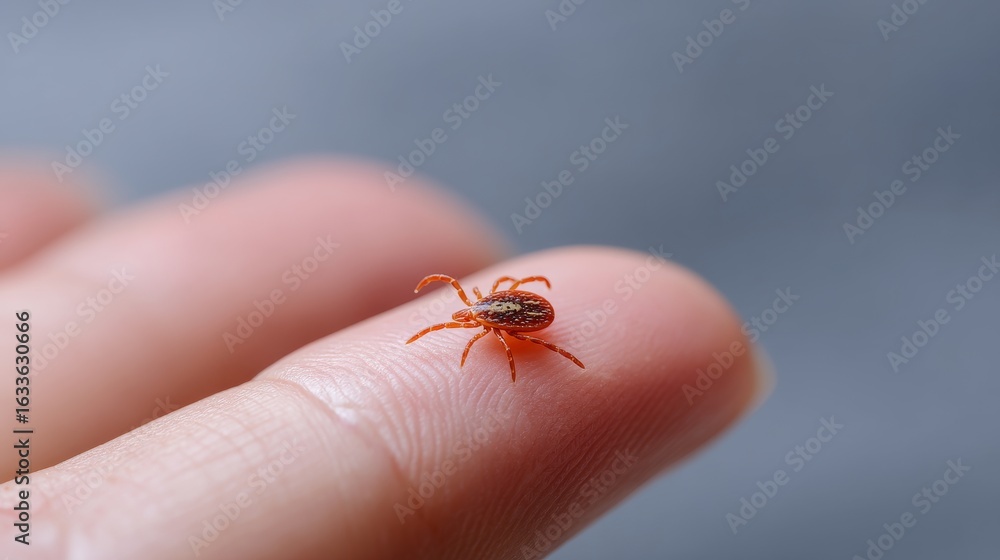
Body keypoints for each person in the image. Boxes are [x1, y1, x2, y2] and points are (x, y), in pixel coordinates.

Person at [0, 159, 771, 559]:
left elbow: (525, 312)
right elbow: (521, 304)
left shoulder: (499, 330)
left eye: (475, 313)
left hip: (534, 321)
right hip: (530, 315)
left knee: (510, 336)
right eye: (475, 314)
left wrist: (515, 344)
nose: (471, 317)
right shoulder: (496, 316)